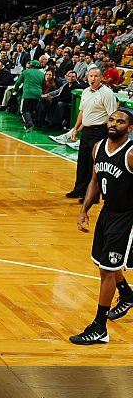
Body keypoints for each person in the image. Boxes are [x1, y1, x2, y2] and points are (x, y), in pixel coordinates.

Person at [70, 109, 133, 345]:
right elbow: (95, 180)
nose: (114, 124)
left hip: (127, 217)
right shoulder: (98, 148)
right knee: (104, 263)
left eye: (121, 122)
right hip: (107, 212)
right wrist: (84, 210)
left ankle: (99, 327)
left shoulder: (130, 154)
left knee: (107, 270)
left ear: (130, 128)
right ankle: (126, 294)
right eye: (111, 119)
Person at [65, 68, 117, 201]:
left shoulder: (107, 94)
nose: (92, 79)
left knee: (93, 164)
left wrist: (111, 136)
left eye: (95, 76)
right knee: (82, 161)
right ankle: (79, 190)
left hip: (100, 131)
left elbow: (112, 116)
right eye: (90, 76)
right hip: (87, 131)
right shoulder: (86, 92)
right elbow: (82, 112)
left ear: (101, 78)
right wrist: (76, 129)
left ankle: (92, 195)